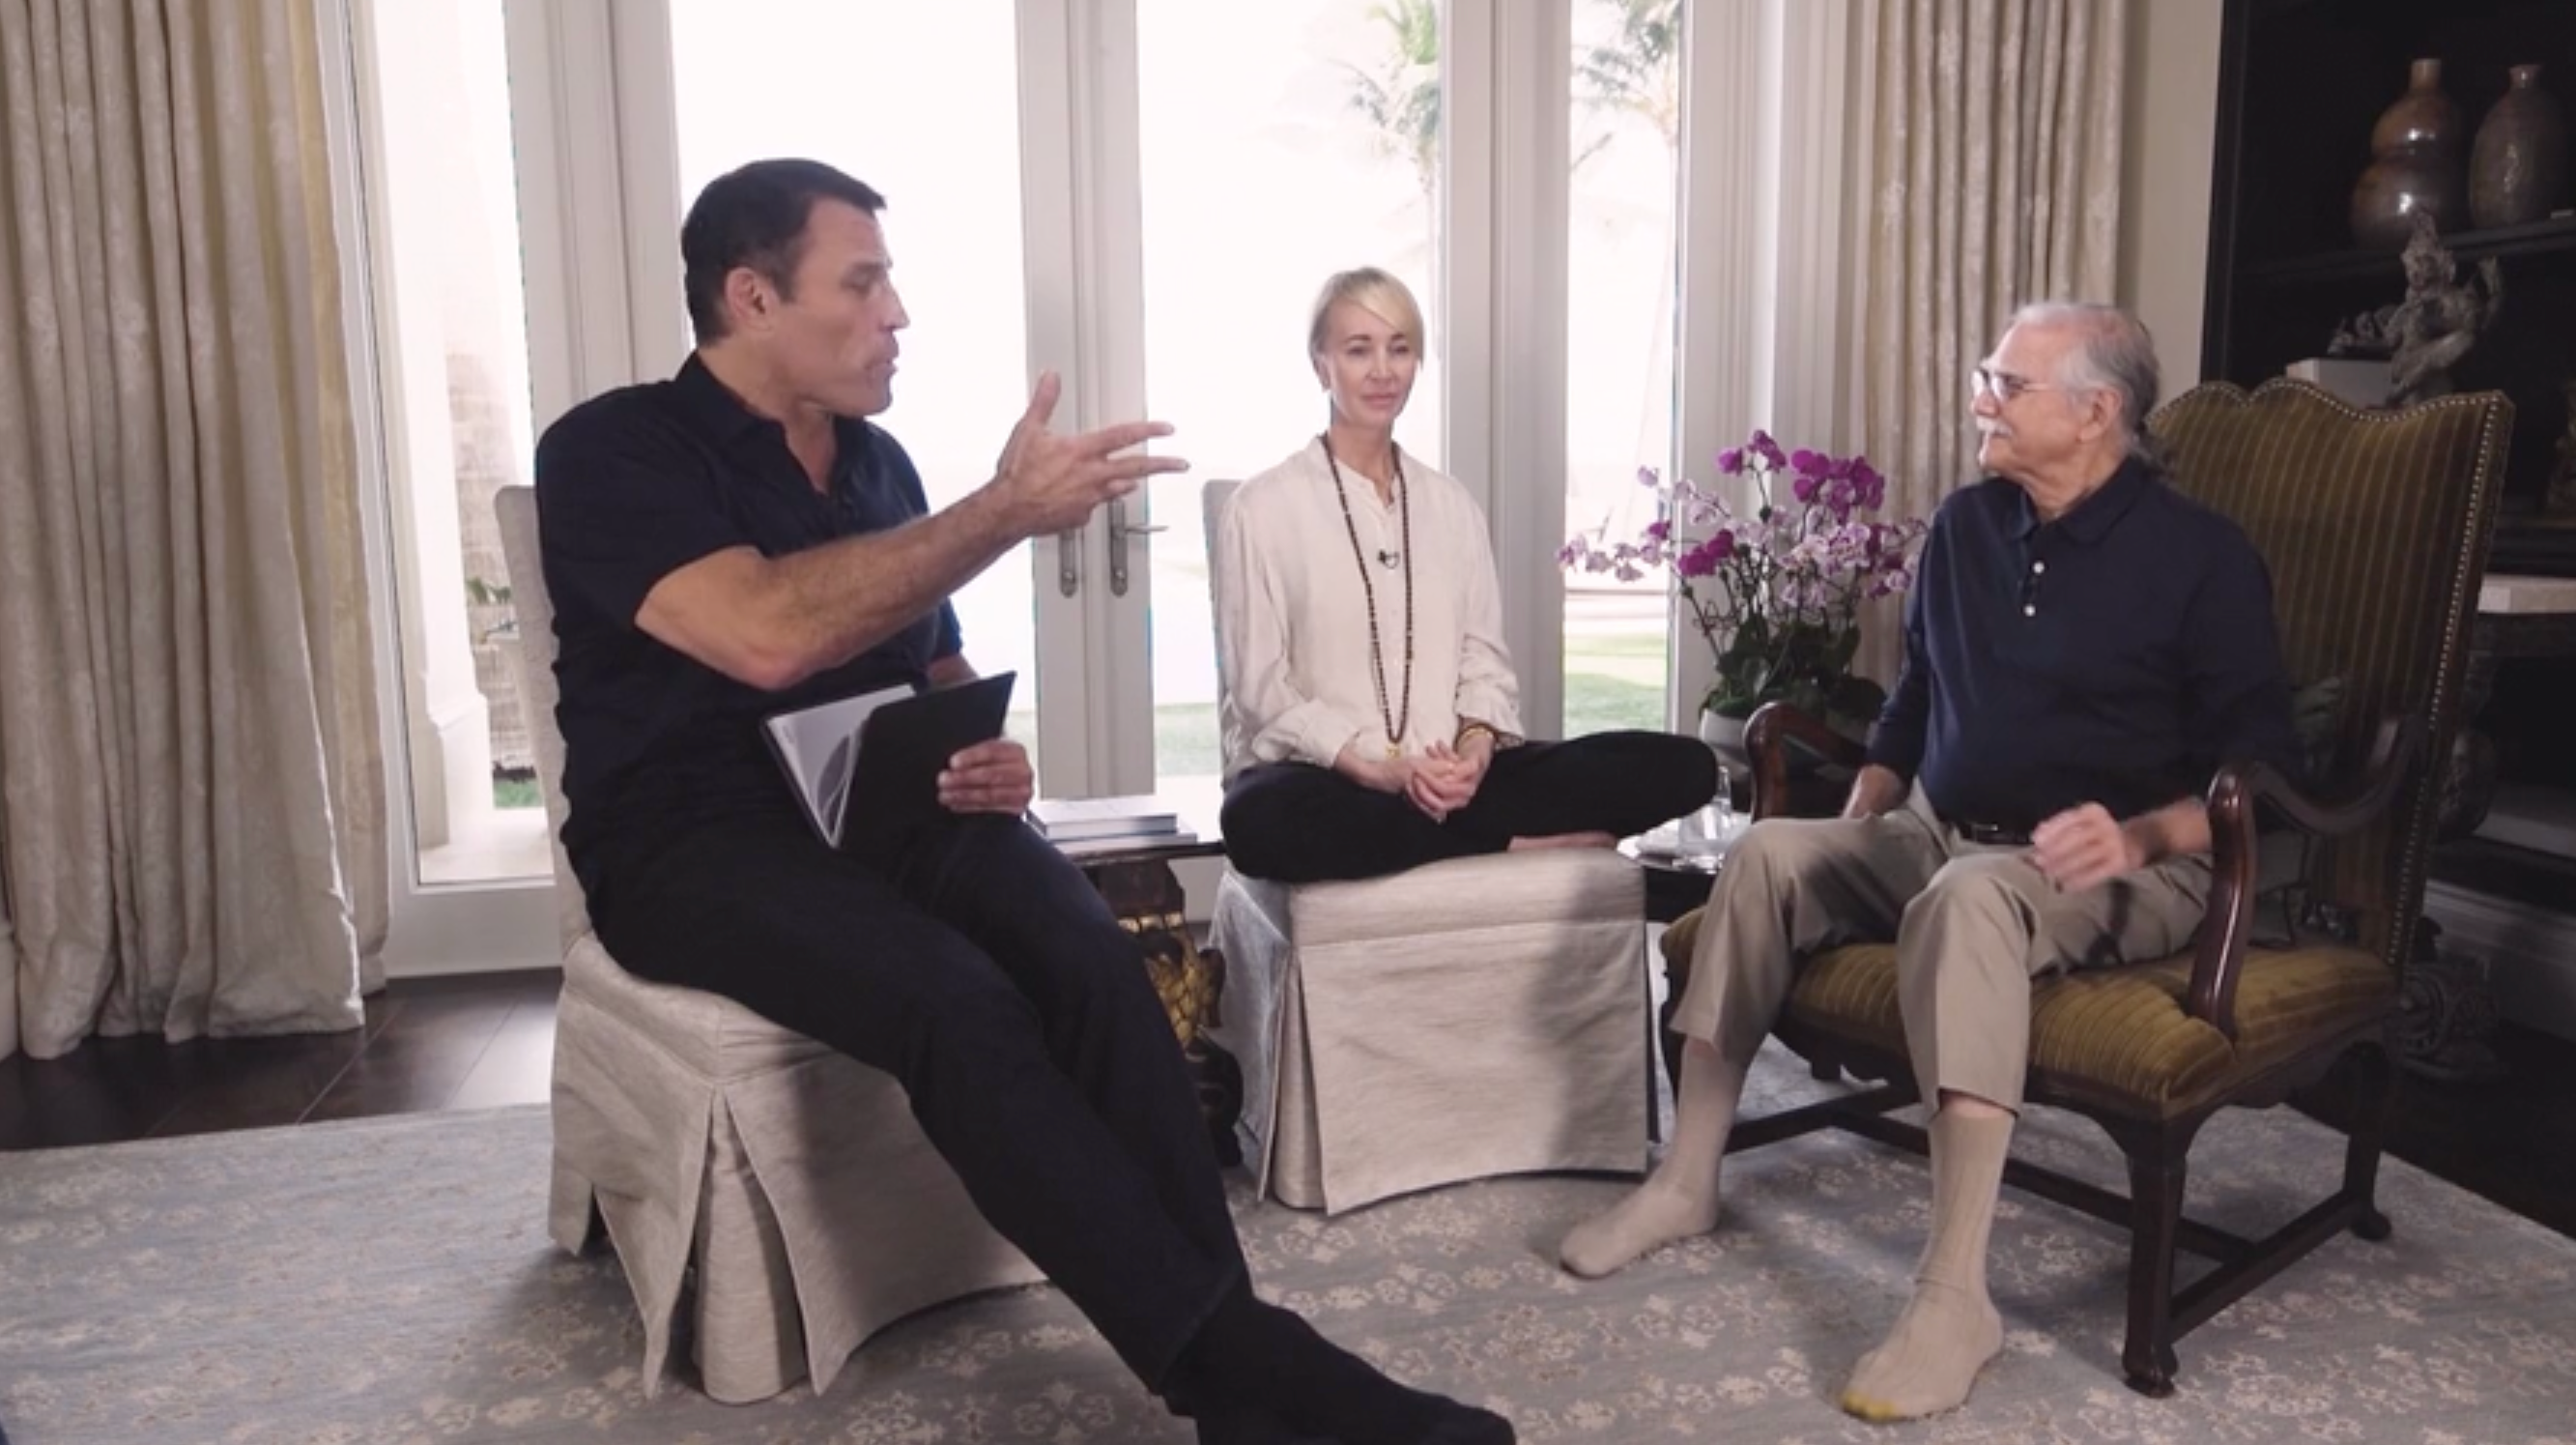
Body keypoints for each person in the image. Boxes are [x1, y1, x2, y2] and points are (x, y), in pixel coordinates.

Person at [534, 159, 1513, 1445]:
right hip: (694, 845)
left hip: (892, 805)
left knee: (1092, 968)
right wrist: (1002, 510)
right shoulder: (611, 449)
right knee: (957, 1000)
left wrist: (985, 747)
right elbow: (765, 634)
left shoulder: (874, 461)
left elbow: (926, 659)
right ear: (751, 294)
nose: (897, 314)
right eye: (864, 281)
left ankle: (1222, 1337)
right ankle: (1246, 1370)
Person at [1556, 303, 2300, 1423]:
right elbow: (1913, 699)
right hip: (1946, 829)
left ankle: (1954, 1298)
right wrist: (1869, 796)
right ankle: (1684, 1179)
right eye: (1983, 377)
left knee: (1963, 903)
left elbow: (2262, 770)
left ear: (2098, 413)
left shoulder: (2199, 559)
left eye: (2005, 384)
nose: (1978, 402)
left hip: (2122, 867)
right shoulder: (1964, 526)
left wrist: (2141, 835)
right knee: (1766, 858)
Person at [1214, 266, 1717, 884]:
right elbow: (1261, 689)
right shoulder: (1262, 508)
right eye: (1358, 350)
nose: (1382, 370)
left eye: (1400, 349)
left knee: (1686, 765)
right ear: (1321, 365)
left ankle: (1453, 829)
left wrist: (1474, 757)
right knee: (1256, 822)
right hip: (1329, 779)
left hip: (1455, 777)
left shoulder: (1451, 505)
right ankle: (1501, 842)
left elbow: (1483, 660)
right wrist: (1377, 770)